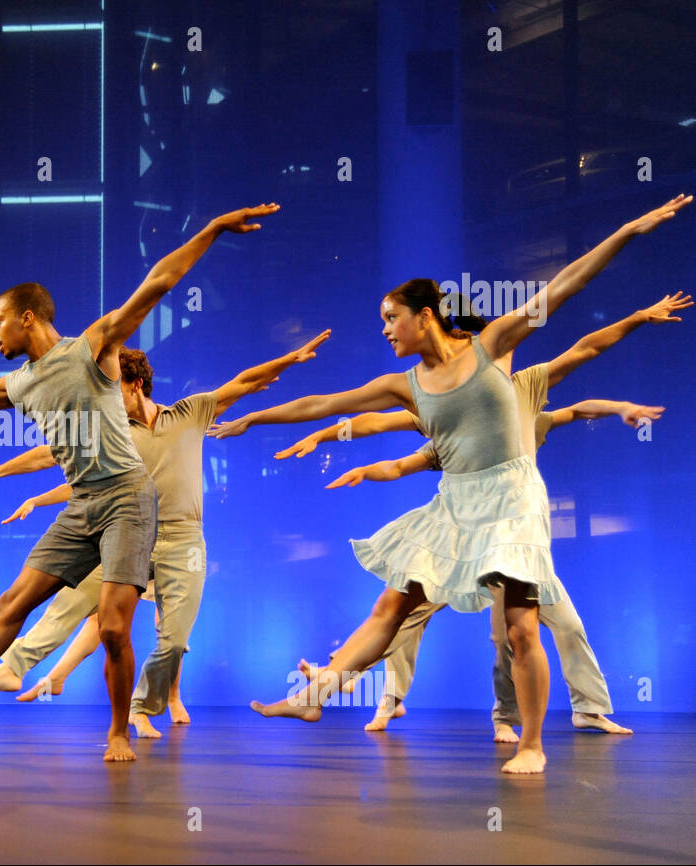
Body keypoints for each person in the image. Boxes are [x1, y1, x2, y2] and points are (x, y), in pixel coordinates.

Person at [206, 195, 689, 774]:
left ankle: (533, 744)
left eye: (391, 318)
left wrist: (631, 227)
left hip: (510, 496)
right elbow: (327, 403)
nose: (386, 329)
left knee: (520, 624)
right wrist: (254, 418)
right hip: (454, 502)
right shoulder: (406, 384)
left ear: (425, 314)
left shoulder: (494, 348)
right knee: (392, 603)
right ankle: (315, 698)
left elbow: (565, 287)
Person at [0, 202, 282, 761]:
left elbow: (158, 282)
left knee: (115, 627)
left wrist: (211, 228)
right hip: (82, 507)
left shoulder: (92, 348)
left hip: (128, 500)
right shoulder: (19, 383)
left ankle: (120, 729)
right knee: (10, 604)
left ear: (27, 316)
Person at [250, 293, 686, 735]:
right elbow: (377, 425)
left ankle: (576, 710)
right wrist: (329, 441)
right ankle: (372, 697)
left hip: (510, 534)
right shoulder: (446, 405)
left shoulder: (526, 390)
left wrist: (631, 352)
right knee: (402, 611)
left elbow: (583, 362)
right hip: (458, 531)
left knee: (531, 631)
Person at [0, 334, 330, 740]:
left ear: (135, 384)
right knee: (71, 599)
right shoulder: (108, 430)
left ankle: (143, 705)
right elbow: (50, 453)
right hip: (128, 530)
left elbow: (240, 384)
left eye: (112, 390)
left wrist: (289, 359)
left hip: (183, 539)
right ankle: (13, 667)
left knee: (174, 640)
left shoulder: (188, 413)